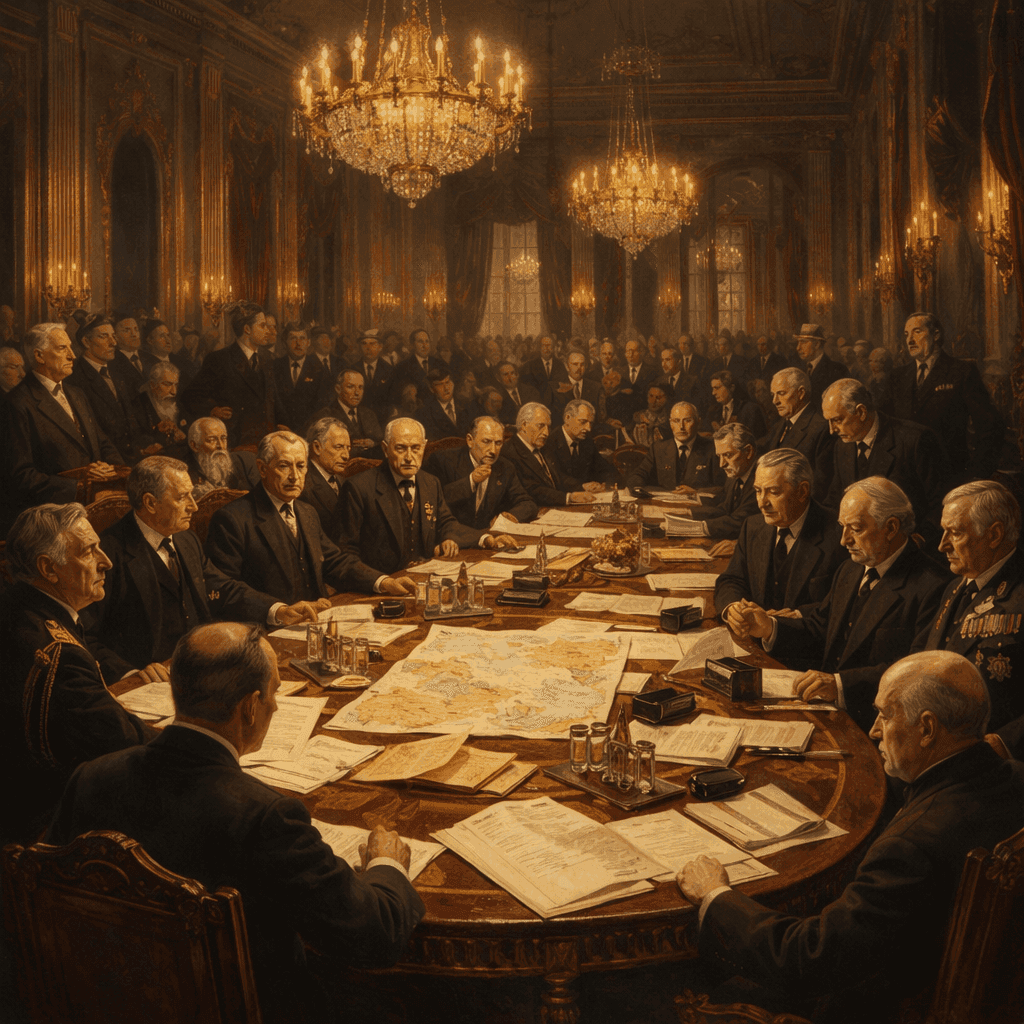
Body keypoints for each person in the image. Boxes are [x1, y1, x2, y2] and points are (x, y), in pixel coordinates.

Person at [46, 621, 425, 1024]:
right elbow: (374, 936)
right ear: (249, 706)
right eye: (275, 692)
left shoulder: (89, 779)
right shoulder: (267, 819)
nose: (277, 706)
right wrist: (387, 864)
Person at [677, 650, 1024, 1024]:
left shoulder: (910, 846)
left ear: (926, 729)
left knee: (694, 984)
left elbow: (810, 958)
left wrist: (716, 895)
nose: (874, 729)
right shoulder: (1015, 776)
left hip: (883, 1007)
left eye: (885, 715)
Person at [732, 477, 948, 731]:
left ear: (891, 528)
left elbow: (915, 674)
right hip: (826, 712)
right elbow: (820, 628)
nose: (844, 540)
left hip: (876, 724)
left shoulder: (934, 587)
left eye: (855, 529)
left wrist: (840, 685)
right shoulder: (850, 570)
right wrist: (770, 627)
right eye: (842, 527)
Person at [0, 503, 157, 842]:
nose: (107, 562)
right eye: (89, 552)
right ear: (49, 568)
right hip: (42, 825)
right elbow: (124, 743)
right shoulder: (59, 651)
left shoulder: (18, 606)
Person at [85, 457, 316, 679]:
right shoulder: (108, 553)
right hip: (150, 682)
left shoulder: (186, 539)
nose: (194, 507)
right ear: (150, 503)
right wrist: (129, 673)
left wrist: (278, 611)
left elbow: (221, 587)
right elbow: (85, 635)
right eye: (182, 498)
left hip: (201, 668)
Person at [206, 430, 410, 600]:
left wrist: (383, 581)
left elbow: (335, 562)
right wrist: (278, 611)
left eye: (301, 466)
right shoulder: (232, 519)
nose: (294, 476)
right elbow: (224, 590)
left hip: (316, 619)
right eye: (284, 466)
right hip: (269, 629)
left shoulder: (306, 512)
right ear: (262, 468)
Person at [914, 480, 1022, 758]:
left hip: (989, 760)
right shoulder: (955, 587)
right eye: (943, 532)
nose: (941, 546)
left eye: (955, 533)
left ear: (994, 535)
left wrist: (1004, 742)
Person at [339, 418, 515, 574]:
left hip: (425, 576)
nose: (409, 457)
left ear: (424, 446)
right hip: (382, 585)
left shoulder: (430, 482)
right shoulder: (358, 488)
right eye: (401, 448)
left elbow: (446, 524)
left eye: (416, 448)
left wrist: (486, 539)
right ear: (385, 449)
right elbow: (346, 554)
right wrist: (381, 582)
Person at [715, 448, 845, 622]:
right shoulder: (753, 526)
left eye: (774, 492)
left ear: (802, 491)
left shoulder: (840, 534)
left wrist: (797, 616)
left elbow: (843, 603)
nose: (762, 503)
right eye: (758, 491)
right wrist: (733, 609)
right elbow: (731, 579)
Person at [2, 322, 120, 511]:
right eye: (62, 348)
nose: (72, 355)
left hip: (97, 502)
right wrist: (80, 486)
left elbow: (102, 442)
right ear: (39, 356)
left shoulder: (77, 393)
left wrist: (113, 469)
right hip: (53, 512)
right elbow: (20, 475)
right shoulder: (17, 403)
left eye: (70, 348)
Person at [883, 312, 1003, 485]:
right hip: (905, 478)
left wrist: (977, 474)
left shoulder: (961, 372)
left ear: (936, 334)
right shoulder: (897, 377)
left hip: (948, 476)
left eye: (917, 332)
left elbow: (990, 426)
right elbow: (884, 424)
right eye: (906, 334)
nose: (909, 340)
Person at [822, 378, 947, 543]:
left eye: (837, 420)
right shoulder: (843, 446)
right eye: (828, 421)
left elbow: (942, 503)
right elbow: (835, 498)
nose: (831, 430)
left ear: (861, 412)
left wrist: (921, 538)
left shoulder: (914, 440)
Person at [182, 301, 285, 447]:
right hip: (234, 441)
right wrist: (212, 410)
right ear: (247, 329)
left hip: (265, 440)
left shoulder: (267, 358)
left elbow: (274, 398)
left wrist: (284, 426)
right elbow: (190, 396)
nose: (268, 330)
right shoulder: (220, 359)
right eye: (262, 326)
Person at [426, 416, 538, 530]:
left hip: (489, 537)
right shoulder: (443, 460)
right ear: (470, 440)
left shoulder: (505, 467)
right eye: (486, 441)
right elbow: (433, 500)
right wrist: (471, 481)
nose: (493, 451)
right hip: (453, 537)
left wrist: (511, 516)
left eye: (498, 443)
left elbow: (527, 503)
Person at [67, 312, 140, 465]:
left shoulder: (118, 370)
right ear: (86, 342)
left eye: (113, 336)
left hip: (132, 455)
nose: (113, 342)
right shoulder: (75, 379)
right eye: (104, 336)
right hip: (104, 462)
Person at [672, 423, 760, 548]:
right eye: (719, 456)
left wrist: (695, 528)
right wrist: (687, 513)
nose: (721, 464)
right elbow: (724, 509)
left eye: (728, 455)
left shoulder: (762, 479)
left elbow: (739, 522)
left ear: (748, 451)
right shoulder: (737, 473)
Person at [502, 403, 598, 507]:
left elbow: (557, 476)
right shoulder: (509, 452)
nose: (546, 433)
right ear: (524, 425)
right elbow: (531, 489)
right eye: (541, 426)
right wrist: (568, 497)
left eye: (548, 427)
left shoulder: (542, 447)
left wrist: (581, 487)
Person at [763, 367, 834, 501]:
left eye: (781, 393)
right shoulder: (780, 425)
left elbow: (820, 486)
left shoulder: (821, 428)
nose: (775, 401)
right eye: (773, 395)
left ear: (801, 393)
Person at [625, 402, 724, 494]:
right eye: (676, 421)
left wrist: (696, 492)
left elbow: (723, 487)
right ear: (670, 423)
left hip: (697, 508)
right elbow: (638, 475)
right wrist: (636, 487)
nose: (681, 427)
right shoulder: (658, 448)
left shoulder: (713, 449)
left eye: (687, 420)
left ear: (698, 422)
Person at [272, 321, 328, 435]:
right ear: (285, 342)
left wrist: (299, 432)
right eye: (293, 339)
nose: (298, 343)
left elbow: (321, 409)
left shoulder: (320, 370)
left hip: (308, 433)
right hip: (279, 431)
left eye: (302, 339)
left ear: (308, 342)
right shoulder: (273, 367)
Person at [312, 368, 384, 455]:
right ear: (338, 389)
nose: (357, 393)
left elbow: (382, 443)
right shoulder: (325, 415)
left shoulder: (369, 414)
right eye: (350, 387)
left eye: (360, 387)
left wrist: (372, 444)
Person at [301, 417, 350, 539]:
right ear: (317, 447)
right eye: (338, 447)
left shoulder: (343, 481)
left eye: (348, 448)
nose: (346, 456)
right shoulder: (302, 485)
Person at [184, 416, 258, 496]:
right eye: (212, 440)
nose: (221, 446)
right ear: (194, 446)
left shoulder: (245, 462)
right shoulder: (184, 474)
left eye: (223, 439)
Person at [133, 362, 188, 457]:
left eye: (176, 385)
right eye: (167, 384)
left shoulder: (178, 403)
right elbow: (139, 439)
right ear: (153, 384)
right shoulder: (139, 405)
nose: (173, 392)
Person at [389, 327, 448, 404]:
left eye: (427, 341)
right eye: (420, 342)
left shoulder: (440, 364)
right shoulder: (402, 367)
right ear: (412, 345)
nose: (424, 345)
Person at [794, 322, 846, 405]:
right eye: (798, 342)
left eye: (803, 342)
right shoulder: (800, 369)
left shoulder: (837, 370)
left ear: (817, 344)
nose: (798, 348)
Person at [415, 367, 473, 440]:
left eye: (447, 382)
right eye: (440, 384)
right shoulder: (424, 414)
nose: (446, 388)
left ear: (453, 383)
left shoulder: (468, 405)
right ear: (431, 389)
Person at [708, 370, 767, 438]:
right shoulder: (712, 412)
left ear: (731, 388)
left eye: (717, 388)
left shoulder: (750, 409)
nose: (713, 393)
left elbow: (759, 440)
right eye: (712, 389)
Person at [351, 328, 393, 422]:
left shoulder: (390, 370)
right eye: (364, 343)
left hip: (383, 420)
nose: (368, 348)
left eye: (372, 344)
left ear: (380, 347)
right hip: (359, 420)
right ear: (359, 347)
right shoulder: (352, 369)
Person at [520, 334, 568, 404]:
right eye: (544, 345)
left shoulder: (560, 365)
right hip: (537, 404)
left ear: (553, 347)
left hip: (556, 405)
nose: (547, 348)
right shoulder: (530, 365)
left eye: (549, 345)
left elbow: (564, 386)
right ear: (540, 347)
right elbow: (525, 388)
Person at [496, 360, 540, 426]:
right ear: (498, 378)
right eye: (505, 374)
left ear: (517, 375)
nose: (510, 377)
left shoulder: (531, 391)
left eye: (512, 373)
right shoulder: (497, 396)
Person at [630, 382, 673, 447]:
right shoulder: (638, 417)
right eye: (651, 396)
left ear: (666, 399)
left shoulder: (670, 420)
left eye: (658, 397)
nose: (653, 401)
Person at [109, 312, 144, 389]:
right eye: (127, 330)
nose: (134, 334)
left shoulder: (150, 358)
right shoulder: (111, 362)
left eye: (136, 329)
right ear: (115, 336)